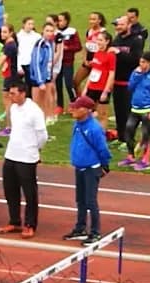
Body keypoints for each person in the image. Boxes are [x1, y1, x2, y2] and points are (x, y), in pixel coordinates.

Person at [0, 81, 47, 239]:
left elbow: (42, 135)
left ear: (23, 93)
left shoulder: (34, 111)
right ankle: (14, 220)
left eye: (13, 93)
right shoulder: (13, 108)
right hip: (11, 154)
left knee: (29, 193)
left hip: (27, 157)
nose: (10, 96)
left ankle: (30, 224)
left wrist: (35, 149)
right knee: (10, 190)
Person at [64, 95, 111, 246]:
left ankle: (95, 232)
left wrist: (104, 166)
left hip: (91, 168)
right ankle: (80, 228)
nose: (73, 110)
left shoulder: (94, 128)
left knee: (91, 201)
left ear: (86, 110)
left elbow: (103, 149)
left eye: (77, 108)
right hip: (80, 167)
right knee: (80, 200)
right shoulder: (77, 124)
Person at [118, 51, 150, 171]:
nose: (142, 64)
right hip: (135, 108)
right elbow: (130, 87)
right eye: (140, 62)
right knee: (129, 130)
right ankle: (131, 156)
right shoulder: (136, 72)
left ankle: (146, 159)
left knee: (146, 134)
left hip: (147, 109)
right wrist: (136, 75)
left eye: (144, 62)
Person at [109, 16, 144, 149]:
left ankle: (129, 139)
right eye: (117, 25)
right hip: (116, 81)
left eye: (121, 25)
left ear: (129, 25)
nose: (118, 27)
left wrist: (118, 53)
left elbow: (136, 59)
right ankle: (121, 136)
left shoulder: (136, 40)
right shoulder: (117, 39)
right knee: (118, 111)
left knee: (128, 112)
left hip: (129, 82)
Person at [81, 31, 115, 133]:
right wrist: (86, 87)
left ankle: (101, 136)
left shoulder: (110, 56)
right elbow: (93, 71)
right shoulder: (96, 53)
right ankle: (88, 133)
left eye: (101, 40)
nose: (98, 42)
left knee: (102, 114)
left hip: (102, 88)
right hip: (92, 87)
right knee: (87, 111)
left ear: (107, 41)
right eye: (97, 40)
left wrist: (106, 91)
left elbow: (111, 74)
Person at [73, 12, 106, 96]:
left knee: (93, 87)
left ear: (99, 20)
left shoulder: (103, 33)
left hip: (98, 62)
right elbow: (86, 46)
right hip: (88, 61)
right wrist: (84, 60)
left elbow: (104, 50)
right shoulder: (89, 31)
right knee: (76, 81)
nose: (91, 21)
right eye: (90, 19)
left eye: (94, 19)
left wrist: (95, 61)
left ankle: (92, 105)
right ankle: (80, 101)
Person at [55, 11, 81, 114]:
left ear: (66, 21)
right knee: (58, 84)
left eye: (61, 20)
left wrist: (67, 48)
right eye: (57, 20)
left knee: (69, 84)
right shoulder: (55, 32)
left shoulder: (72, 31)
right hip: (57, 62)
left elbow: (78, 46)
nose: (59, 22)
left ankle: (74, 104)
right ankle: (59, 106)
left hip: (67, 62)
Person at [29, 22, 55, 121]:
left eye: (51, 31)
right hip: (39, 79)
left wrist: (49, 77)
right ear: (42, 31)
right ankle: (36, 131)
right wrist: (40, 81)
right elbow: (35, 63)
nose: (49, 33)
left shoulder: (50, 43)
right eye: (47, 31)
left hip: (46, 78)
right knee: (37, 106)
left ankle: (43, 132)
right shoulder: (40, 44)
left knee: (44, 105)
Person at [0, 23, 18, 136]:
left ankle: (10, 127)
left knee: (8, 102)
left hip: (10, 76)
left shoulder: (10, 45)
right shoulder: (9, 44)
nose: (2, 34)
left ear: (11, 33)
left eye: (5, 32)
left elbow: (1, 61)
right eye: (1, 31)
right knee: (10, 101)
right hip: (11, 75)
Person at [15, 17, 40, 97]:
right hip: (21, 63)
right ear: (24, 24)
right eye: (29, 24)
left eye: (32, 24)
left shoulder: (37, 36)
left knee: (30, 85)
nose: (30, 26)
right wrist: (18, 66)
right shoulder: (18, 36)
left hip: (31, 64)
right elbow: (16, 52)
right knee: (18, 85)